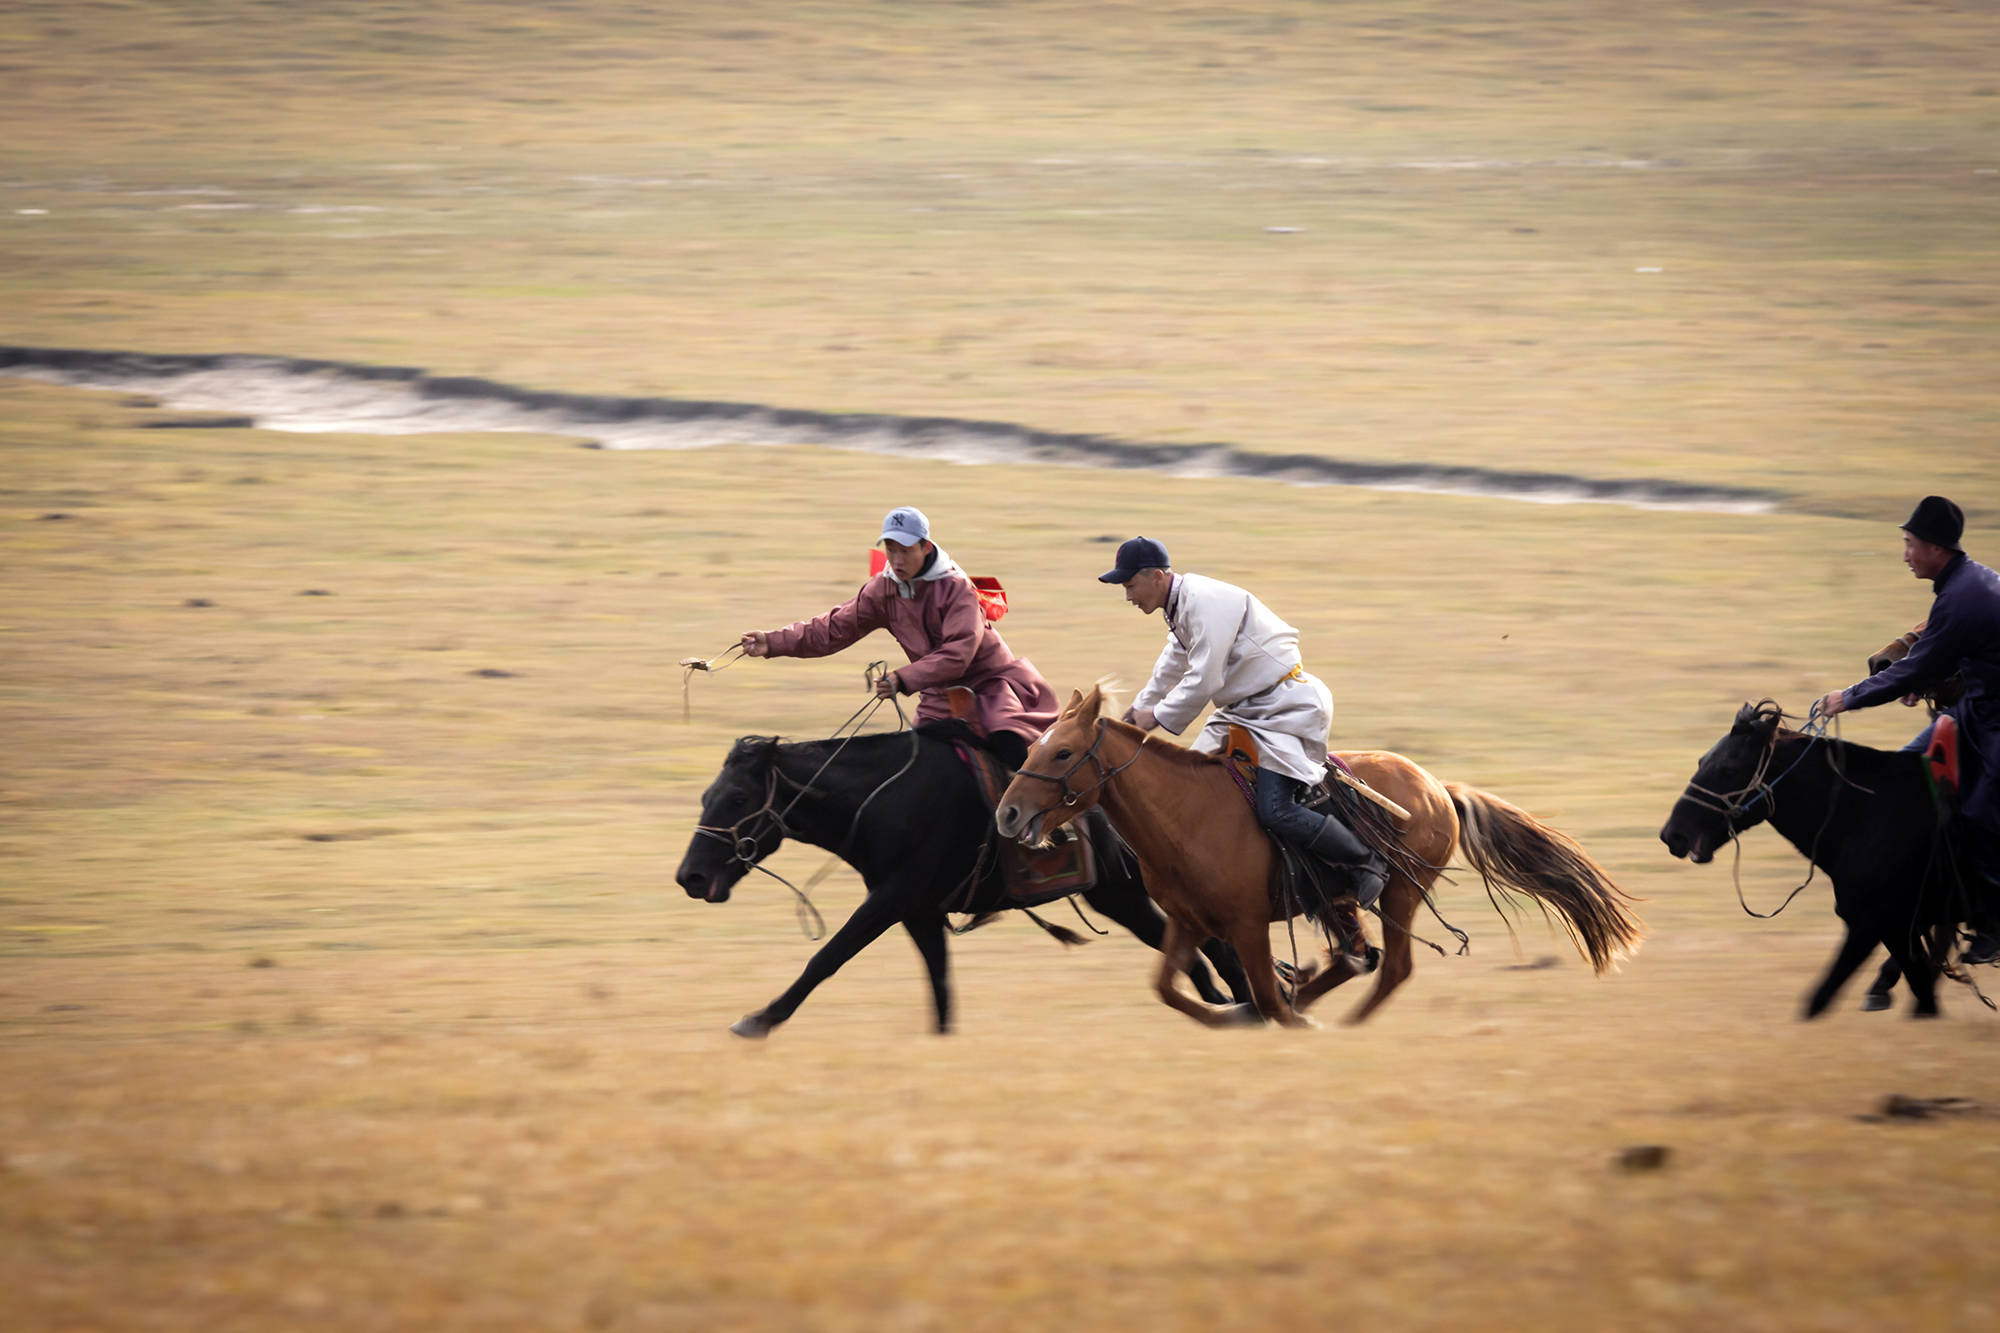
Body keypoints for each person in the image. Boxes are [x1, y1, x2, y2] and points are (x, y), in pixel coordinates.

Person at [1098, 536, 1389, 906]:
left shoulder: (1204, 603)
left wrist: (1153, 717)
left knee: (1276, 810)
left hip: (1284, 709)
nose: (1128, 595)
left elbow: (1204, 678)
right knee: (1191, 791)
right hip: (1244, 712)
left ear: (1156, 576)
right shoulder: (1179, 606)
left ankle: (1365, 863)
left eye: (1129, 585)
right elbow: (1171, 664)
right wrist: (1136, 713)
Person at [1817, 496, 2000, 963]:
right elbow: (1941, 656)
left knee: (1980, 815)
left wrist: (1848, 698)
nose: (1904, 554)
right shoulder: (1964, 585)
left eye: (1909, 543)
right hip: (1973, 713)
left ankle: (1993, 924)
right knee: (1910, 772)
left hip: (1994, 721)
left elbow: (1913, 666)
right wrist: (1925, 677)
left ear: (1936, 548)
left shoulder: (1962, 597)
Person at [740, 506, 1058, 769]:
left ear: (926, 548)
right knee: (918, 768)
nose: (897, 559)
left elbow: (957, 655)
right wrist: (772, 642)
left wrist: (900, 679)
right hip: (938, 697)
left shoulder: (957, 588)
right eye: (890, 549)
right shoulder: (882, 589)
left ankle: (1043, 829)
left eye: (905, 550)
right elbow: (832, 630)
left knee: (1010, 746)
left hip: (990, 686)